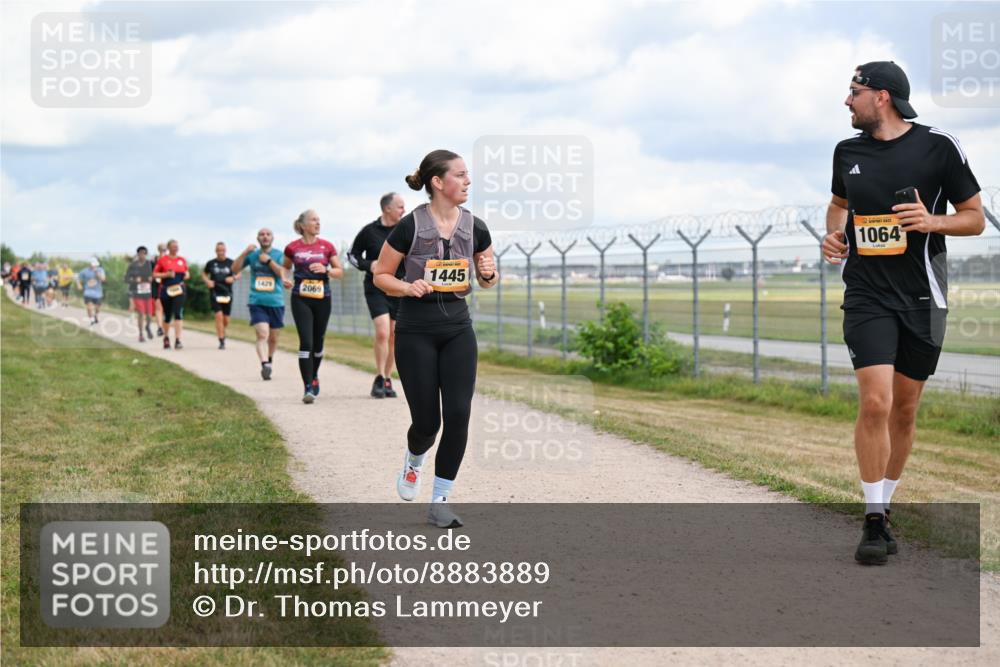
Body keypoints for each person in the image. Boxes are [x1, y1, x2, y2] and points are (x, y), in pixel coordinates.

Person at [822, 62, 985, 565]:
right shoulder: (847, 152)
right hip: (867, 294)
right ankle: (872, 521)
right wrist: (832, 235)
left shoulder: (939, 146)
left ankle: (886, 506)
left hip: (923, 297)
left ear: (883, 96)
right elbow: (837, 204)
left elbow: (975, 218)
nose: (847, 101)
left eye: (854, 92)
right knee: (875, 402)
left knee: (905, 409)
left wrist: (931, 220)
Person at [373, 149, 498, 528]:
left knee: (458, 414)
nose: (467, 182)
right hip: (416, 331)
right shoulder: (409, 227)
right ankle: (414, 460)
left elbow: (487, 278)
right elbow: (381, 275)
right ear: (438, 182)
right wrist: (407, 287)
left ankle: (440, 499)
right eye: (460, 175)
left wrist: (489, 273)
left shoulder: (476, 227)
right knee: (427, 423)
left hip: (458, 329)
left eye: (468, 175)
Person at [349, 192, 406, 399]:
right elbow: (352, 255)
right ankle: (379, 377)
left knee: (394, 334)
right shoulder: (369, 231)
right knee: (383, 331)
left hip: (400, 287)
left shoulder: (405, 230)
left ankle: (388, 378)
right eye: (400, 206)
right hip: (376, 288)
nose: (404, 210)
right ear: (387, 208)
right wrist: (368, 264)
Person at [283, 210, 343, 403]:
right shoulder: (292, 247)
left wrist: (326, 269)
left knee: (318, 343)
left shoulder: (327, 246)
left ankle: (314, 375)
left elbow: (339, 271)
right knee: (306, 342)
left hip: (322, 298)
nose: (318, 223)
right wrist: (285, 279)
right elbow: (285, 267)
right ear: (302, 225)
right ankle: (307, 386)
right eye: (313, 220)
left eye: (319, 220)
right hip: (300, 297)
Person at [233, 228, 291, 380]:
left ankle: (269, 360)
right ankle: (264, 364)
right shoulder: (252, 255)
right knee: (262, 334)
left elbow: (283, 273)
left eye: (268, 234)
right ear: (258, 238)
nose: (265, 237)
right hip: (257, 301)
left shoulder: (279, 255)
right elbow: (234, 269)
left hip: (276, 301)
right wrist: (245, 252)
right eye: (261, 234)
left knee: (273, 338)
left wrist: (269, 261)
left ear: (272, 237)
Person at [153, 239, 190, 349]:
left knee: (178, 313)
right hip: (166, 290)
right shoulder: (162, 260)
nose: (175, 248)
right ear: (168, 248)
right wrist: (166, 275)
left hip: (179, 289)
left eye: (177, 246)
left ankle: (178, 340)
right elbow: (154, 274)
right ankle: (166, 337)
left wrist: (186, 275)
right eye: (173, 246)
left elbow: (187, 272)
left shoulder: (182, 260)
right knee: (168, 316)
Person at [203, 242, 239, 349]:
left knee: (226, 319)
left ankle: (222, 331)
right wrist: (207, 281)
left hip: (227, 293)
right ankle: (221, 340)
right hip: (215, 292)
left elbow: (238, 273)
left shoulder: (231, 263)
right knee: (218, 316)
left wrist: (233, 278)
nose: (220, 252)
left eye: (222, 250)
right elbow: (204, 274)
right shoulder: (211, 263)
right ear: (216, 251)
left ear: (225, 251)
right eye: (218, 250)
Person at [126, 246, 156, 342]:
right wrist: (135, 280)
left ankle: (147, 327)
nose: (142, 255)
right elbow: (126, 279)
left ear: (146, 254)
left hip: (148, 292)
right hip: (137, 293)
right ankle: (141, 334)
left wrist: (152, 278)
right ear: (138, 254)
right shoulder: (132, 265)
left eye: (144, 253)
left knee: (149, 315)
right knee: (141, 313)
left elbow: (156, 274)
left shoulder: (150, 264)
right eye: (141, 253)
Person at [75, 258, 106, 323]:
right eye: (93, 265)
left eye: (95, 265)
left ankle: (95, 316)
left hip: (98, 292)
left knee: (97, 308)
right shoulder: (84, 271)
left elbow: (103, 279)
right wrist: (78, 284)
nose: (94, 266)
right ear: (90, 264)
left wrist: (97, 274)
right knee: (89, 306)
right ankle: (91, 319)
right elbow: (77, 277)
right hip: (88, 292)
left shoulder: (100, 270)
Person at [152, 242, 167, 336]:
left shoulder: (169, 259)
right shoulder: (154, 260)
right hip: (156, 285)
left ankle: (164, 323)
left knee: (164, 307)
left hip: (167, 285)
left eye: (164, 249)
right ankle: (160, 327)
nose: (163, 251)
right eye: (161, 249)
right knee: (158, 307)